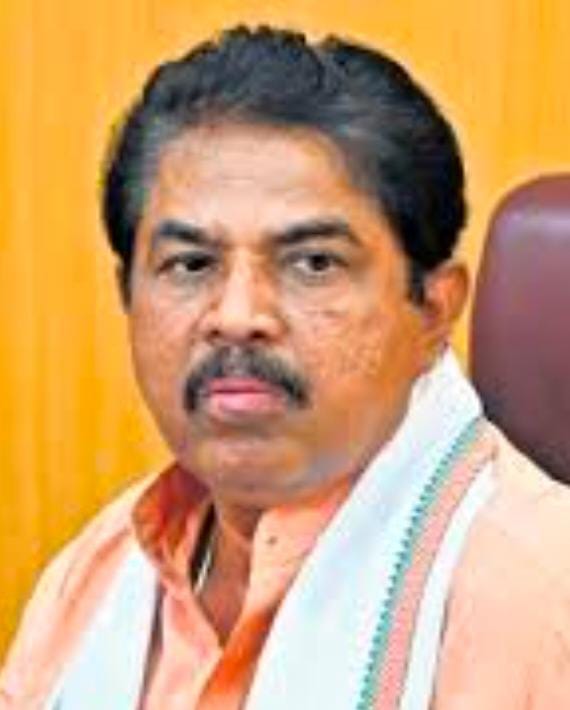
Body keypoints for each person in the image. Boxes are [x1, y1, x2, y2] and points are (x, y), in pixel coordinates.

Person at [2, 25, 570, 710]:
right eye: (191, 264)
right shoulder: (95, 580)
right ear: (128, 297)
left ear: (434, 309)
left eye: (314, 263)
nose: (237, 315)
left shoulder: (543, 605)